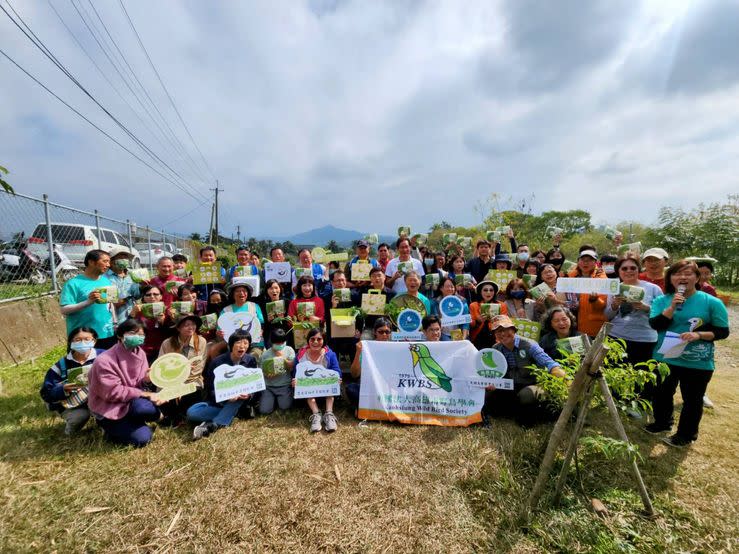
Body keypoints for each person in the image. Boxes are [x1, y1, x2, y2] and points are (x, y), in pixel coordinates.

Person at [646, 260, 730, 447]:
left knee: (692, 399)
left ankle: (686, 434)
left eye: (688, 273)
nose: (682, 277)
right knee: (661, 393)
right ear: (670, 278)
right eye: (677, 274)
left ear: (697, 277)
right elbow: (656, 325)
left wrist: (698, 334)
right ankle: (662, 423)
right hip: (665, 356)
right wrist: (672, 307)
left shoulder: (711, 302)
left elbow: (723, 331)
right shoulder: (661, 300)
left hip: (697, 360)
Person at [87, 318, 164, 447]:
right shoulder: (104, 361)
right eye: (132, 333)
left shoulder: (141, 354)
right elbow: (112, 392)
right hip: (110, 406)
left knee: (147, 409)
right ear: (120, 335)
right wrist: (146, 394)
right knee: (142, 439)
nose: (137, 337)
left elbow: (140, 385)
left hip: (131, 401)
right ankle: (110, 426)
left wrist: (146, 380)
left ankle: (132, 422)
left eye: (141, 334)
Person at [483, 315, 565, 426]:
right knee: (488, 395)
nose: (502, 334)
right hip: (511, 385)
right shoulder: (496, 349)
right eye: (498, 331)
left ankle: (532, 420)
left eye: (505, 329)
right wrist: (491, 383)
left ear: (513, 329)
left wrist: (563, 378)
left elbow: (549, 363)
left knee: (526, 395)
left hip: (533, 384)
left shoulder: (529, 345)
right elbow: (492, 373)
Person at [187, 330, 260, 439]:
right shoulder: (217, 362)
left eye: (245, 343)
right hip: (221, 403)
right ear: (231, 344)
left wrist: (249, 395)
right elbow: (210, 388)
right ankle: (230, 415)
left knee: (238, 398)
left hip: (241, 402)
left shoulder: (251, 361)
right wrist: (226, 398)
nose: (242, 346)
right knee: (191, 413)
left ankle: (211, 426)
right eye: (238, 342)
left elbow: (256, 386)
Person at [40, 327, 102, 435]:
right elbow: (46, 393)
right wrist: (62, 389)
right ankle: (70, 432)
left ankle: (106, 429)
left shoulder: (104, 356)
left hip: (100, 398)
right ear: (71, 342)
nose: (83, 343)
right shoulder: (61, 365)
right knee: (80, 416)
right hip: (73, 404)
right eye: (77, 340)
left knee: (103, 411)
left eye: (87, 339)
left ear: (94, 341)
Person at [605, 254, 663, 367]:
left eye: (633, 268)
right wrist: (614, 306)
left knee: (641, 377)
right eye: (624, 268)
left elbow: (663, 316)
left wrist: (646, 308)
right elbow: (608, 316)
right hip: (616, 337)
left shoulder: (653, 288)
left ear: (638, 270)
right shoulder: (614, 289)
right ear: (618, 271)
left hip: (645, 340)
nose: (629, 271)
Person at [59, 249, 116, 349]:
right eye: (105, 261)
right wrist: (88, 302)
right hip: (83, 337)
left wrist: (115, 322)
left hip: (107, 333)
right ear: (91, 262)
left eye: (109, 262)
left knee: (106, 364)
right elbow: (64, 310)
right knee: (83, 364)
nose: (108, 265)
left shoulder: (106, 281)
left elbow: (110, 304)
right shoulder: (73, 283)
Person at [157, 314, 207, 423]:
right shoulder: (167, 343)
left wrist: (182, 386)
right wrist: (175, 384)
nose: (190, 327)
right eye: (186, 325)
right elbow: (161, 367)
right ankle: (172, 416)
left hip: (192, 380)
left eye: (193, 324)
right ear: (178, 328)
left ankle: (183, 414)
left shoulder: (201, 341)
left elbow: (198, 369)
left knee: (189, 397)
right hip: (170, 381)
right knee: (167, 401)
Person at [293, 328, 342, 433]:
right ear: (308, 341)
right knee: (306, 385)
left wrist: (338, 379)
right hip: (309, 393)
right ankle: (316, 414)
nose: (315, 342)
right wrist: (295, 381)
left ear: (324, 341)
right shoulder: (300, 356)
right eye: (312, 339)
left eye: (319, 339)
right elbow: (295, 374)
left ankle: (329, 413)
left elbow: (337, 371)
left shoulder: (330, 355)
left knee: (331, 383)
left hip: (326, 390)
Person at [347, 317, 392, 408]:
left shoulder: (395, 348)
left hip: (388, 388)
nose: (384, 335)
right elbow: (354, 374)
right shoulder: (367, 348)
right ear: (375, 332)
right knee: (351, 388)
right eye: (381, 332)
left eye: (387, 332)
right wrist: (358, 352)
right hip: (370, 387)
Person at [219, 278, 266, 359]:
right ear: (232, 294)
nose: (241, 293)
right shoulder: (226, 310)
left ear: (247, 293)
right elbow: (220, 329)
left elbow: (261, 324)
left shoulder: (255, 306)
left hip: (255, 343)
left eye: (244, 291)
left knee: (252, 358)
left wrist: (260, 331)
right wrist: (219, 333)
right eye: (237, 291)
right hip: (235, 345)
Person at [568, 250, 608, 338]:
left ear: (596, 262)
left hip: (591, 327)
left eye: (589, 260)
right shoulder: (570, 276)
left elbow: (602, 306)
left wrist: (595, 299)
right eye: (583, 260)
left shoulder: (602, 279)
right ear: (578, 262)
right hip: (570, 324)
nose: (585, 263)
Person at [130, 284, 173, 364]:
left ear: (161, 296)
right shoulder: (138, 310)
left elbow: (173, 333)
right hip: (143, 351)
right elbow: (128, 331)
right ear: (143, 297)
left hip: (163, 350)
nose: (152, 297)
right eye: (148, 295)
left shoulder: (168, 311)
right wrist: (132, 314)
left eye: (156, 294)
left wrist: (163, 322)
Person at [259, 328, 296, 415]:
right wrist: (266, 375)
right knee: (264, 410)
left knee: (285, 407)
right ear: (271, 342)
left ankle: (279, 399)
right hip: (269, 386)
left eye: (282, 342)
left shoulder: (289, 350)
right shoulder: (265, 354)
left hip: (284, 385)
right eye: (277, 343)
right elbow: (260, 371)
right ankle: (270, 399)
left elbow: (292, 366)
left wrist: (283, 358)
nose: (280, 345)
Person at [469, 280, 507, 349]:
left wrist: (497, 320)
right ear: (480, 292)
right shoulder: (473, 305)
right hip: (478, 338)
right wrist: (478, 321)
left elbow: (505, 324)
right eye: (485, 290)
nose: (488, 292)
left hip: (496, 338)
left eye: (491, 290)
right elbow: (471, 325)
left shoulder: (502, 305)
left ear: (494, 292)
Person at [106, 251, 139, 323]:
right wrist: (127, 298)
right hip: (114, 319)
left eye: (126, 258)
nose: (124, 260)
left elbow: (137, 296)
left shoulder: (133, 274)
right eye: (121, 258)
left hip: (132, 318)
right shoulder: (105, 277)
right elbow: (111, 303)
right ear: (111, 261)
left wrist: (143, 286)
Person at [433, 277, 470, 341]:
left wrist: (463, 338)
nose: (450, 289)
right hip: (443, 334)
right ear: (441, 288)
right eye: (447, 286)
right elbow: (434, 321)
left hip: (459, 333)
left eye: (452, 287)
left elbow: (466, 323)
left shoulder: (462, 301)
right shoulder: (435, 302)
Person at [261, 278, 291, 348]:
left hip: (285, 332)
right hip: (270, 334)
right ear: (267, 291)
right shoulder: (263, 304)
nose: (274, 291)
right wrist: (268, 320)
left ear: (280, 289)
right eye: (271, 288)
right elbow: (262, 324)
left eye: (276, 288)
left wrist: (287, 318)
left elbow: (291, 321)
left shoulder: (287, 302)